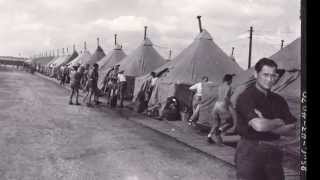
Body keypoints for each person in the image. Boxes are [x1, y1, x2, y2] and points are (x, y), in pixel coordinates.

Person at [234, 58, 297, 180]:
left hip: (274, 151)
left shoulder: (279, 100)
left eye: (273, 76)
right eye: (265, 75)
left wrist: (266, 123)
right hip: (250, 151)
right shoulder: (246, 97)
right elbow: (259, 126)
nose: (269, 80)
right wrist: (278, 122)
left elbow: (293, 129)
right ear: (256, 74)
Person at [207, 74, 237, 145]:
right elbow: (226, 97)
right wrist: (230, 105)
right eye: (231, 80)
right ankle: (220, 131)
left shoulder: (220, 86)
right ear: (229, 80)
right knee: (230, 122)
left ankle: (209, 136)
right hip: (222, 105)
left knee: (216, 123)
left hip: (216, 105)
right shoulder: (228, 87)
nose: (231, 82)